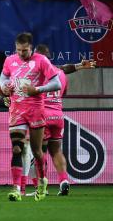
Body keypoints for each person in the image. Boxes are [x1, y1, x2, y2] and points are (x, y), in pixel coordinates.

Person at [0, 32, 61, 202]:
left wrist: (38, 89)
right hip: (16, 110)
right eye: (18, 50)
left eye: (24, 51)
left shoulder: (41, 60)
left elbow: (57, 83)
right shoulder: (9, 61)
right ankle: (16, 189)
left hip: (36, 110)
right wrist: (4, 86)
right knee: (17, 148)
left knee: (37, 151)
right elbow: (3, 77)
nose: (21, 54)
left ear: (31, 48)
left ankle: (42, 181)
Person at [32, 44, 96, 196]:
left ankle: (42, 188)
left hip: (42, 116)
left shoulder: (35, 74)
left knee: (39, 152)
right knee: (56, 151)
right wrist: (79, 66)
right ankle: (64, 181)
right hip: (58, 116)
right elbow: (63, 90)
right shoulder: (59, 73)